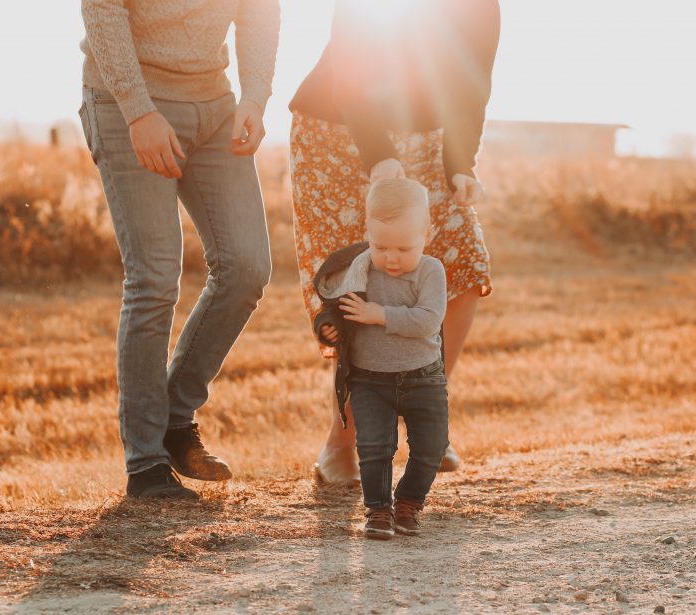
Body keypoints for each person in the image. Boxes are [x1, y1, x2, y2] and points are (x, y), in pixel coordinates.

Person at [289, 0, 500, 484]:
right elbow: (350, 64)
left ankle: (427, 416)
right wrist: (378, 154)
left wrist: (461, 162)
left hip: (428, 139)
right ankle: (343, 442)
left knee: (463, 264)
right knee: (357, 282)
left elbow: (473, 88)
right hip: (338, 131)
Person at [78, 0, 280, 499]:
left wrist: (255, 96)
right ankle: (146, 463)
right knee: (154, 278)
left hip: (215, 105)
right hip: (130, 102)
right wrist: (138, 110)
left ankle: (172, 416)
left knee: (247, 266)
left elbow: (259, 10)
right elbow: (103, 8)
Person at [312, 178, 449, 539]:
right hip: (370, 380)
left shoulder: (430, 270)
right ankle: (378, 511)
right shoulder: (358, 269)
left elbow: (428, 321)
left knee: (432, 448)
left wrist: (380, 315)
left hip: (424, 377)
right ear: (368, 232)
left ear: (426, 234)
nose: (391, 257)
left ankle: (408, 503)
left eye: (404, 247)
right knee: (374, 449)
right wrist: (328, 328)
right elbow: (334, 310)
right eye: (380, 245)